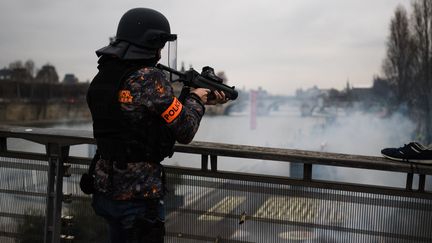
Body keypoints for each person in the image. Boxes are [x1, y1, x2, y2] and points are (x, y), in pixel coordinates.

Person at [86, 8, 227, 243]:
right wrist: (196, 100)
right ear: (149, 42)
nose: (161, 52)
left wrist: (195, 100)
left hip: (105, 189)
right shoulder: (149, 77)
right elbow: (185, 130)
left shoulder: (106, 72)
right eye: (160, 44)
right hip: (138, 196)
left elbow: (143, 114)